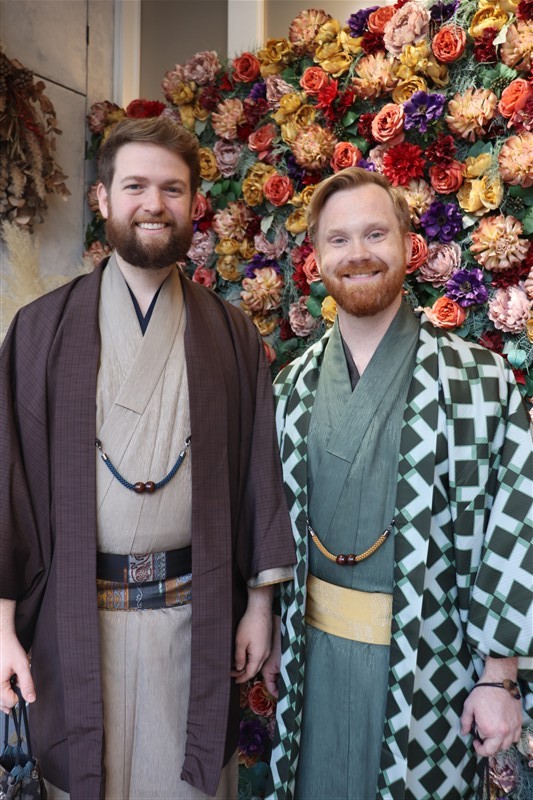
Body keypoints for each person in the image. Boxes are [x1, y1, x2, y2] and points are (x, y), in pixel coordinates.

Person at [0, 115, 295, 800]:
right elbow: (6, 481)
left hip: (195, 619)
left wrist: (258, 606)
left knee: (187, 782)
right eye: (134, 186)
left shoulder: (230, 331)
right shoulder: (40, 329)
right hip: (75, 619)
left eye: (171, 188)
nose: (153, 204)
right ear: (103, 197)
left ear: (194, 203)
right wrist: (2, 627)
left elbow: (258, 471)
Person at [264, 167, 532, 800]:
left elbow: (518, 523)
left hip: (433, 661)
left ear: (410, 245)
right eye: (339, 239)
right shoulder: (290, 389)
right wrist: (270, 624)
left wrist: (500, 674)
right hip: (311, 658)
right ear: (315, 260)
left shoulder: (480, 380)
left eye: (375, 234)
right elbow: (269, 522)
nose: (358, 253)